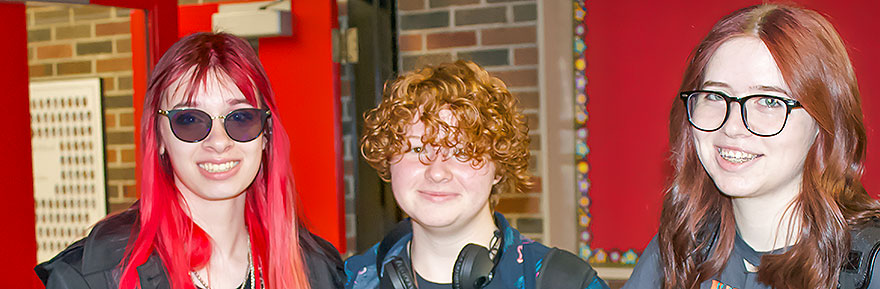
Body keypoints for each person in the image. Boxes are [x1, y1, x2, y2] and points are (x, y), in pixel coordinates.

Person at [622, 4, 880, 289]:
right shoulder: (683, 248)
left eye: (768, 101)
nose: (733, 126)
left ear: (823, 124)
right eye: (714, 96)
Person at [35, 32, 345, 289]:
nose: (219, 142)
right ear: (158, 138)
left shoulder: (315, 269)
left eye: (240, 118)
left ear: (265, 134)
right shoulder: (94, 277)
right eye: (190, 120)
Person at [346, 60, 607, 289]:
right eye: (417, 149)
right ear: (389, 158)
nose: (437, 172)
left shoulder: (565, 281)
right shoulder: (348, 280)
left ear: (498, 167)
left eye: (462, 152)